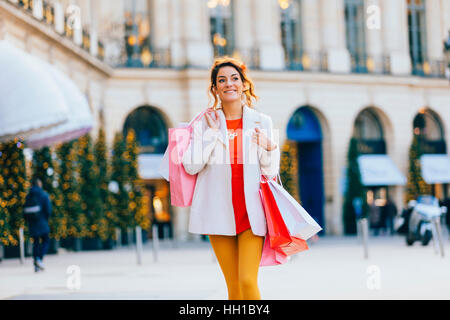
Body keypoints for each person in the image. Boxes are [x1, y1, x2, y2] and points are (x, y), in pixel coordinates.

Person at [181, 57, 280, 300]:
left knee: (247, 281)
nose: (229, 84)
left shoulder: (262, 121)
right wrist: (211, 135)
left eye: (235, 79)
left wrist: (269, 148)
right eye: (222, 80)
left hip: (251, 216)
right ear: (215, 88)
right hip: (218, 214)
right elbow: (191, 166)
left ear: (244, 84)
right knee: (234, 288)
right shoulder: (204, 123)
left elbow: (270, 173)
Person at [24, 178, 51, 273]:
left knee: (35, 242)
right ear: (39, 184)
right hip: (42, 221)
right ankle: (39, 259)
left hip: (32, 223)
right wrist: (45, 219)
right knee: (46, 240)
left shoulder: (29, 195)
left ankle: (36, 264)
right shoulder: (43, 194)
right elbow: (48, 210)